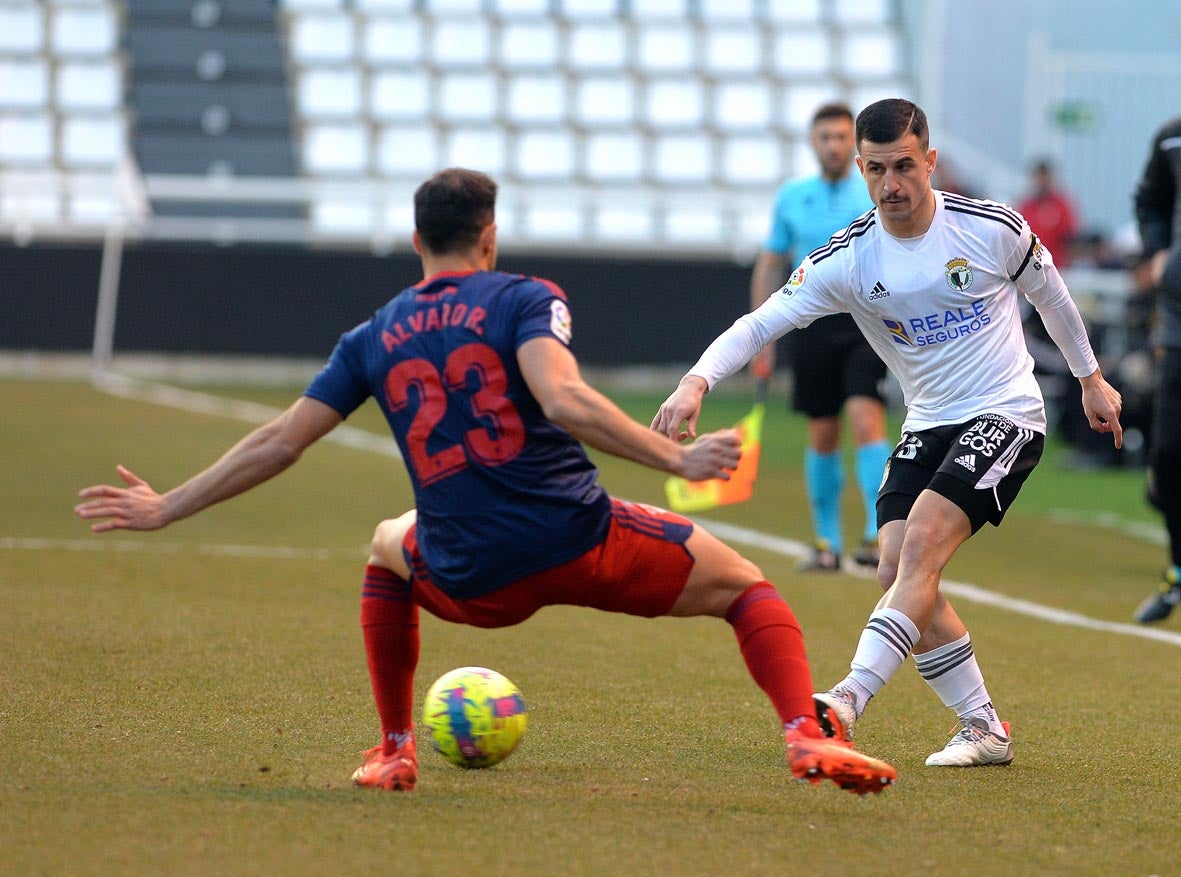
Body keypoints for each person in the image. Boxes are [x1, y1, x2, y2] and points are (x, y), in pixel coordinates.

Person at [74, 168, 897, 795]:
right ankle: (802, 730)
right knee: (747, 588)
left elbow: (281, 442)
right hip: (578, 539)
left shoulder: (372, 333)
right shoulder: (523, 297)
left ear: (414, 241)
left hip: (466, 570)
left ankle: (394, 747)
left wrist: (165, 506)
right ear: (489, 237)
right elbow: (562, 397)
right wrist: (678, 461)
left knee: (384, 544)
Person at [654, 99, 1123, 767]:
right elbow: (762, 322)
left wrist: (1089, 378)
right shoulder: (849, 257)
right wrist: (696, 380)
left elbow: (1050, 295)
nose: (889, 184)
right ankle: (983, 726)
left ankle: (845, 699)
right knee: (893, 568)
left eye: (903, 166)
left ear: (928, 161)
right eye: (875, 170)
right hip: (929, 419)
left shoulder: (989, 229)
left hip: (1005, 413)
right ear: (860, 169)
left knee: (923, 544)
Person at [749, 102, 890, 573]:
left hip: (864, 320)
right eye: (825, 137)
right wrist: (760, 335)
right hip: (808, 324)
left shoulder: (872, 192)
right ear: (814, 143)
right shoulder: (792, 197)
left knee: (866, 417)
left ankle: (877, 536)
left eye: (841, 137)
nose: (833, 145)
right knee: (822, 431)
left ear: (854, 144)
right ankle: (826, 542)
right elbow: (771, 262)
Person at [1131, 117, 1181, 623]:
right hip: (1178, 325)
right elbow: (1149, 200)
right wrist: (1161, 252)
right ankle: (1176, 573)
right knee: (1167, 458)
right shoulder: (1170, 136)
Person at [1017, 158, 1079, 269]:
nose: (1042, 181)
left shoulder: (1061, 206)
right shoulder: (1026, 207)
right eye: (1039, 176)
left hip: (1057, 269)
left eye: (1045, 176)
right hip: (1030, 270)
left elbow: (1071, 239)